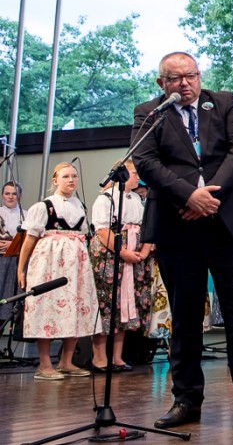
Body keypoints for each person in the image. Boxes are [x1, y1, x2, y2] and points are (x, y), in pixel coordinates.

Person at [132, 51, 233, 427]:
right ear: (161, 83)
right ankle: (186, 400)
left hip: (229, 225)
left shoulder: (224, 103)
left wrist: (208, 198)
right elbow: (146, 162)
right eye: (176, 78)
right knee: (185, 316)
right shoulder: (149, 112)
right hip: (177, 225)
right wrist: (188, 196)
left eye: (191, 75)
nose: (185, 84)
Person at [16, 163, 98, 380]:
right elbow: (29, 239)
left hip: (76, 265)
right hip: (50, 263)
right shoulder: (45, 206)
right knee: (47, 307)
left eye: (74, 176)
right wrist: (21, 269)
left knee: (75, 307)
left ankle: (66, 361)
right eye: (66, 176)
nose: (71, 180)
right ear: (55, 180)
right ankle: (44, 364)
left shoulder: (79, 206)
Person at [89, 159, 155, 372]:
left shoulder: (135, 198)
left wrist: (143, 251)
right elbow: (102, 230)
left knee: (126, 304)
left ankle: (117, 356)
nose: (138, 178)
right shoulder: (106, 199)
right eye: (135, 173)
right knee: (107, 302)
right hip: (111, 254)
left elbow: (145, 225)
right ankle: (99, 356)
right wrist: (123, 252)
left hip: (134, 253)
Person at [0, 181, 24, 321]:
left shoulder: (26, 215)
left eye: (14, 194)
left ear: (20, 196)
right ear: (2, 195)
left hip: (17, 261)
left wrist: (12, 244)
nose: (10, 197)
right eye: (7, 193)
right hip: (1, 260)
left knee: (12, 296)